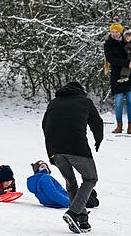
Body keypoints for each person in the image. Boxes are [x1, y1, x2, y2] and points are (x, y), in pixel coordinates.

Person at [42, 81, 103, 234]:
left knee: (71, 182)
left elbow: (44, 124)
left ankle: (81, 220)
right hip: (77, 148)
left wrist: (52, 149)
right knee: (90, 178)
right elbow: (97, 122)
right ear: (80, 91)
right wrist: (98, 139)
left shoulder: (53, 103)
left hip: (55, 149)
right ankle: (74, 212)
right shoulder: (85, 102)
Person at [104, 23, 131, 134]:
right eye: (113, 32)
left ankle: (130, 126)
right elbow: (111, 59)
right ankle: (119, 125)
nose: (114, 34)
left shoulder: (128, 40)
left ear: (121, 31)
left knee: (130, 101)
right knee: (118, 101)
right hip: (116, 75)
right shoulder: (108, 44)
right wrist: (126, 63)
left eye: (117, 32)